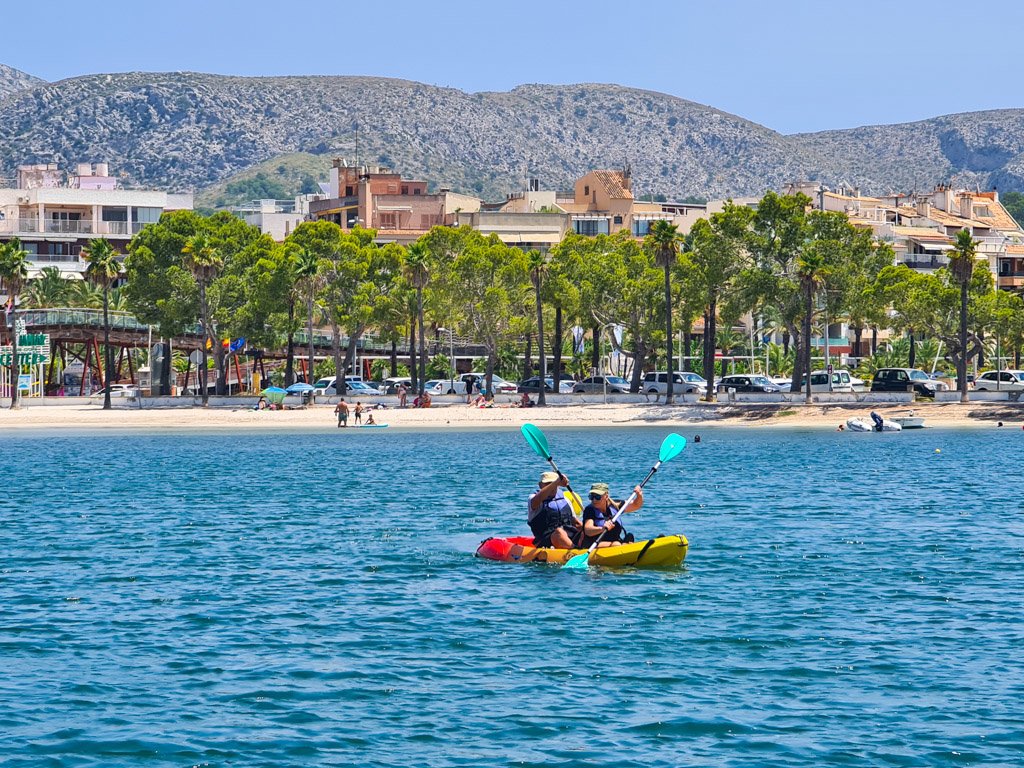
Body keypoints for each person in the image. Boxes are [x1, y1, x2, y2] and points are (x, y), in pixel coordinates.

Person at [528, 471, 582, 549]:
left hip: (569, 536)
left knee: (586, 530)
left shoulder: (565, 500)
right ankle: (575, 550)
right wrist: (556, 482)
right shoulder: (533, 499)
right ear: (540, 485)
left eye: (553, 484)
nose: (552, 487)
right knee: (559, 532)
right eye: (547, 484)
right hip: (546, 540)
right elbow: (536, 500)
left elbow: (576, 523)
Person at [580, 482, 643, 547]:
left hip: (615, 541)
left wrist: (639, 495)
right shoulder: (589, 510)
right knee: (616, 544)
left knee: (629, 537)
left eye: (597, 497)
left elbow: (636, 505)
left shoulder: (615, 505)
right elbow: (588, 530)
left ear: (606, 496)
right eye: (591, 497)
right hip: (594, 543)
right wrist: (602, 529)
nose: (594, 500)